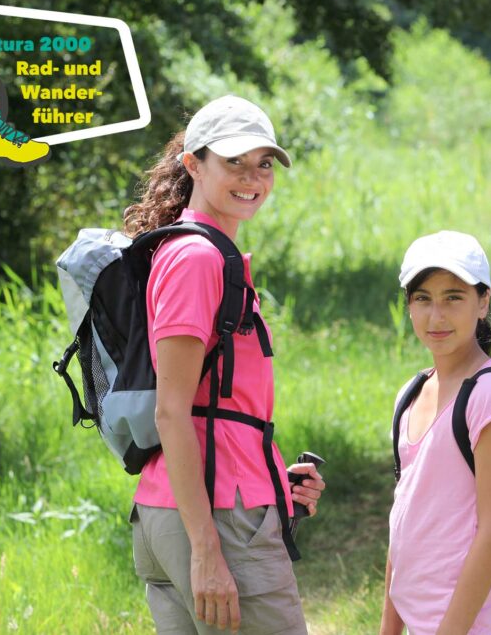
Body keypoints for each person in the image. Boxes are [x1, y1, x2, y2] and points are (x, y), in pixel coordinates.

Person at [122, 95, 325, 634]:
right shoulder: (197, 259)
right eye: (233, 161)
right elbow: (172, 412)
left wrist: (275, 482)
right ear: (193, 165)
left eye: (263, 163)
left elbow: (213, 406)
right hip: (215, 519)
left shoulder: (199, 253)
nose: (252, 177)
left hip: (174, 508)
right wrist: (207, 551)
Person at [380, 231, 491, 635]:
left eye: (453, 298)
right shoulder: (411, 393)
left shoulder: (490, 396)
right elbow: (402, 523)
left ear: (484, 302)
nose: (436, 316)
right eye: (422, 298)